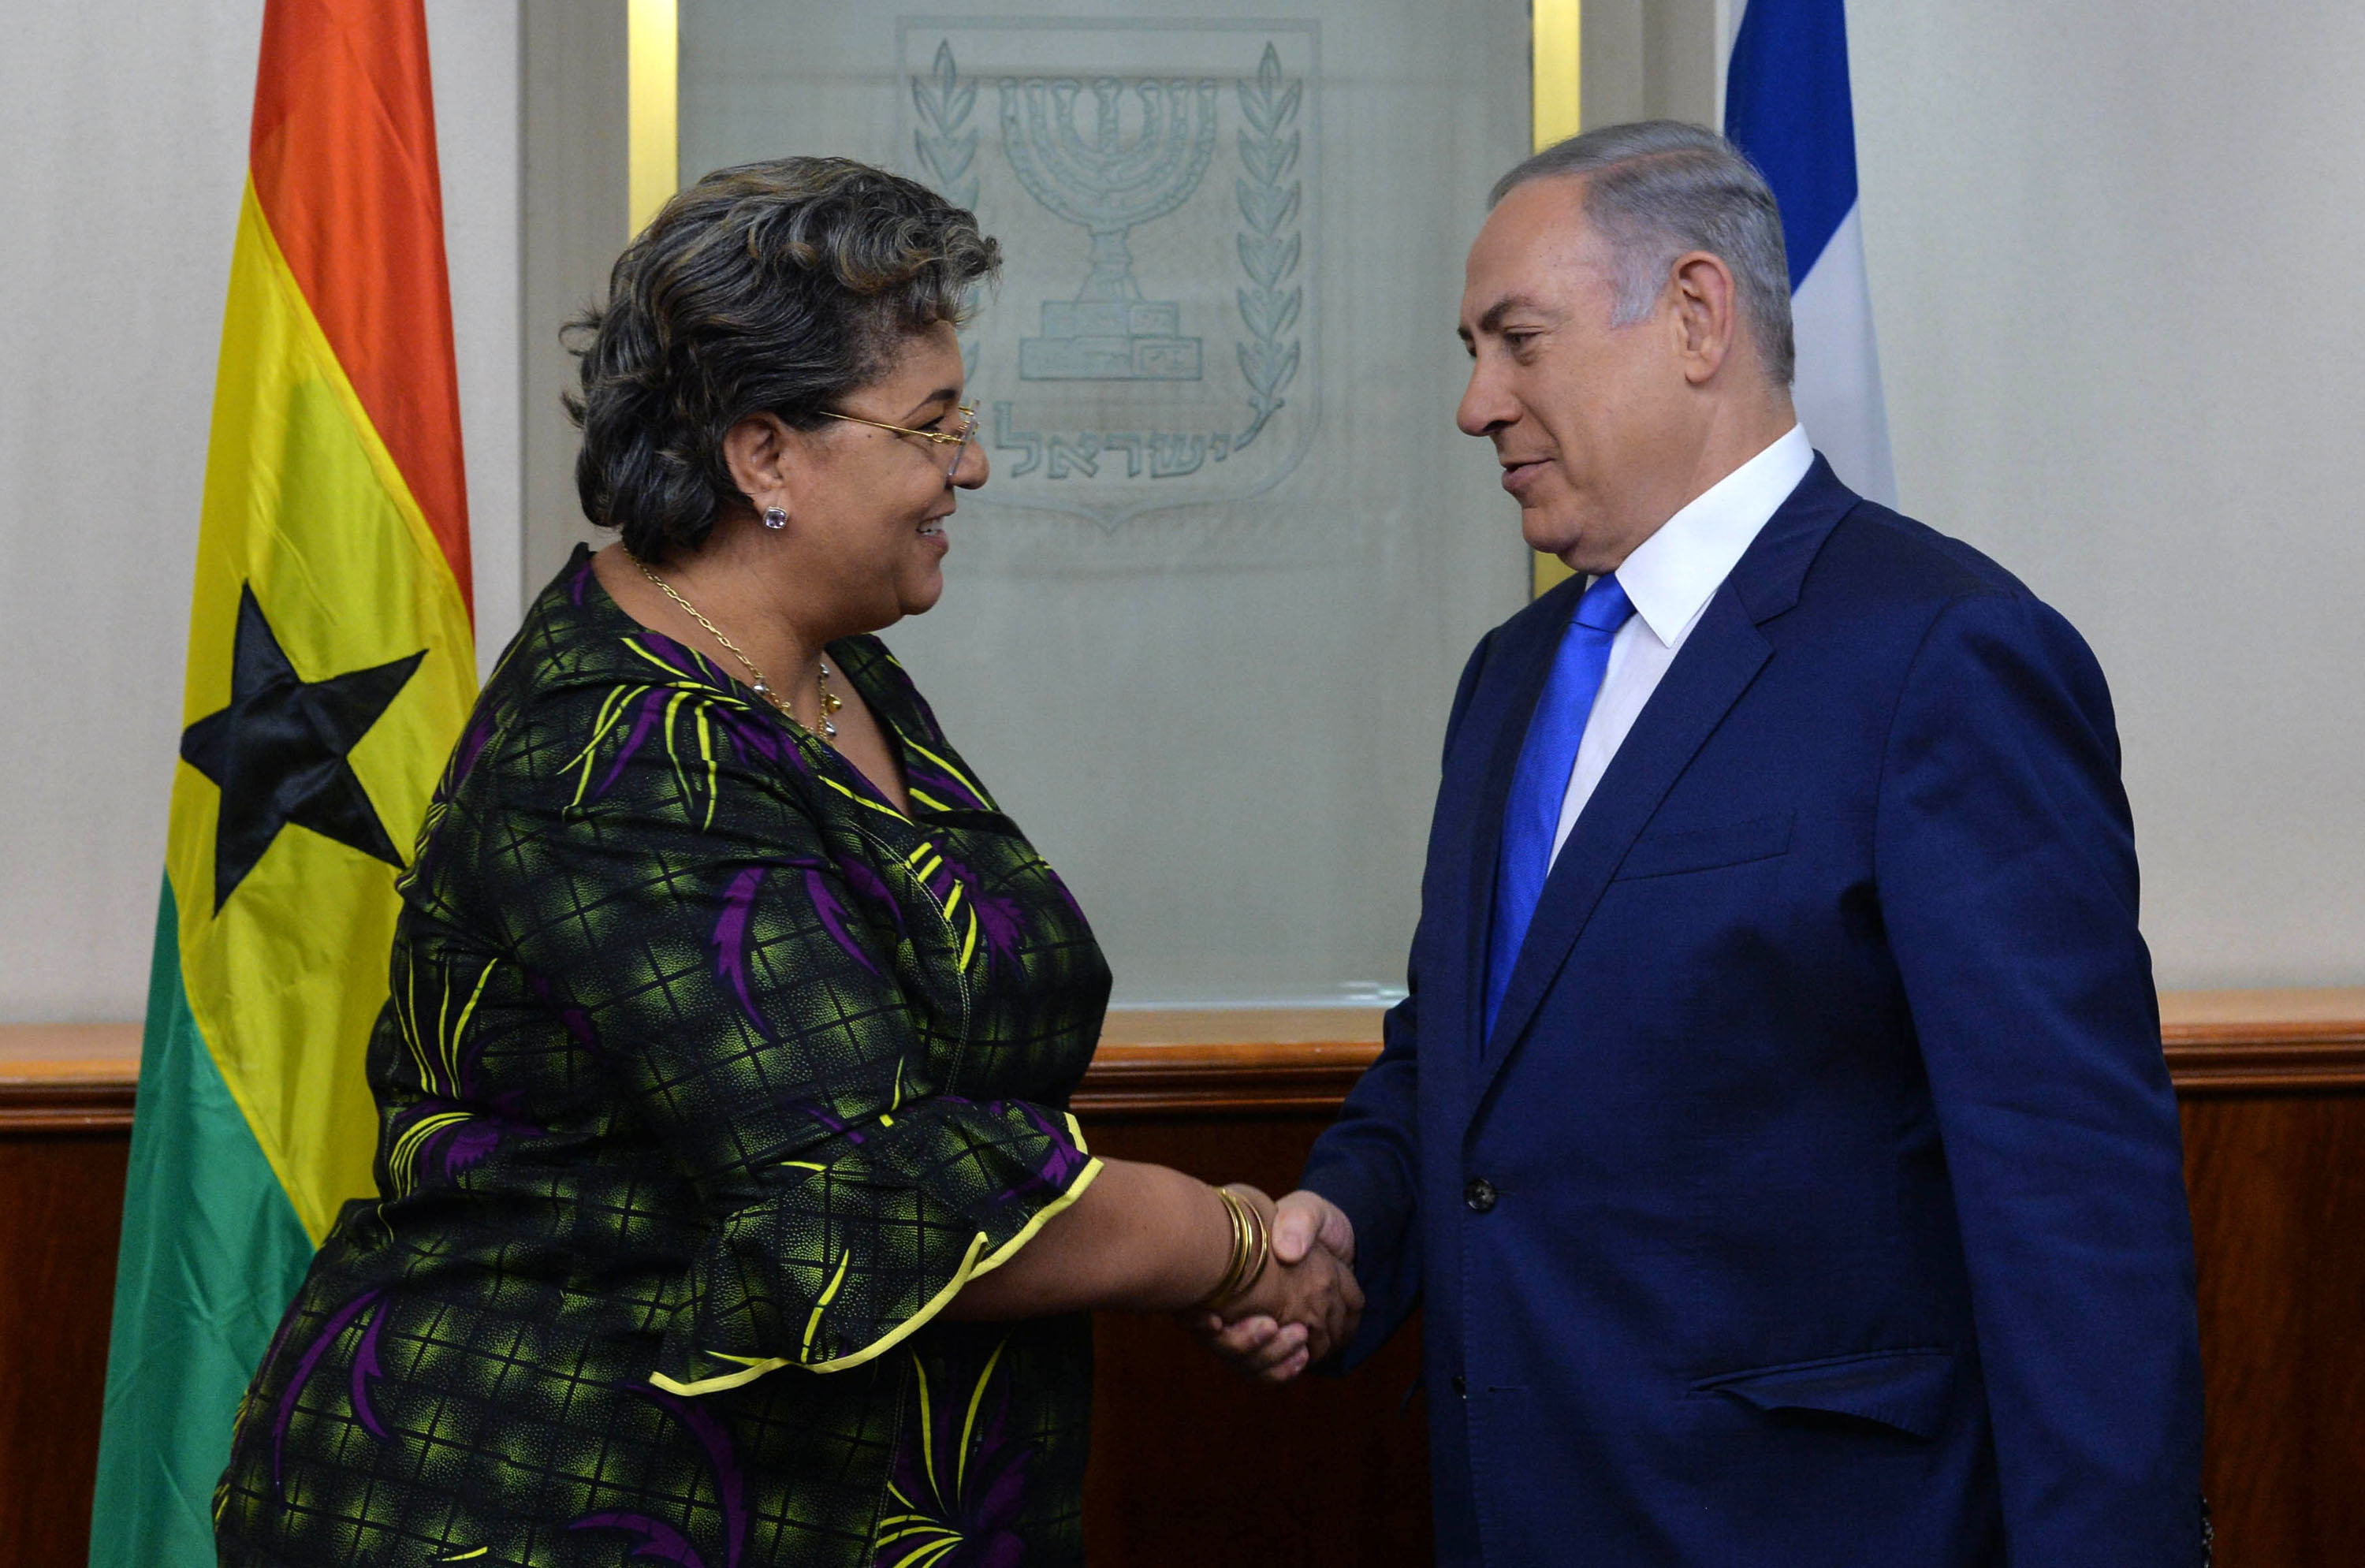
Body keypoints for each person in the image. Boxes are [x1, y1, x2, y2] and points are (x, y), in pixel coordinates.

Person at [214, 157, 1359, 1568]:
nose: (973, 464)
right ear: (766, 454)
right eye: (933, 425)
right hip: (551, 1493)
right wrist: (1227, 1242)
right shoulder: (615, 744)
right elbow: (867, 1191)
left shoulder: (828, 669)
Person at [1202, 122, 2206, 1563]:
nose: (1476, 401)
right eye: (1471, 348)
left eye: (1517, 340)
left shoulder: (1944, 655)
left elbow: (2072, 1209)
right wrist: (1343, 1228)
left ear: (1693, 315)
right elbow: (1463, 1060)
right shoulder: (1510, 674)